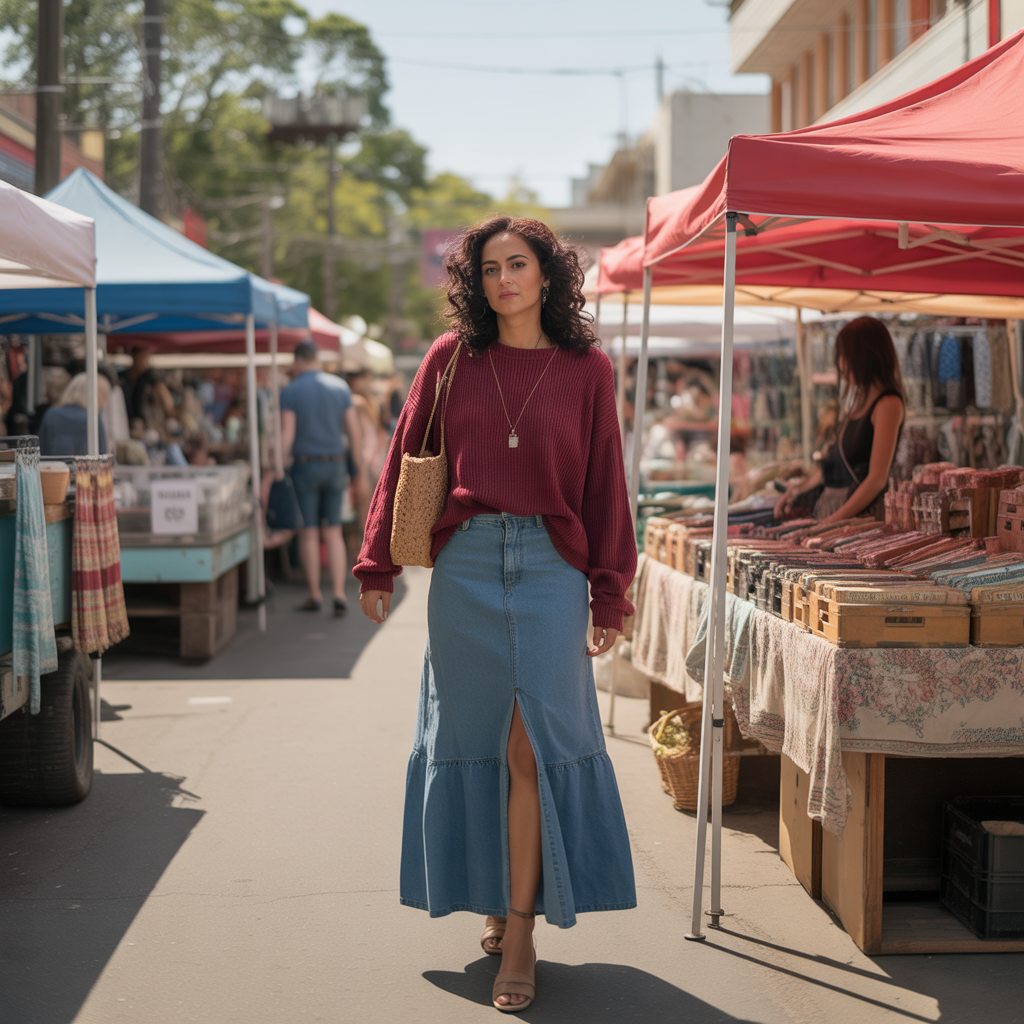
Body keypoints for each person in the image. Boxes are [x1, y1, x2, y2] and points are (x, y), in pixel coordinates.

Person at [355, 216, 637, 1012]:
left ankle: (521, 930)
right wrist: (376, 559)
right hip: (467, 565)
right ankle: (495, 894)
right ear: (474, 283)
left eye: (518, 264)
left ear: (548, 276)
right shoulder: (451, 359)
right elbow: (404, 456)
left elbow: (606, 485)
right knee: (475, 741)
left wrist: (609, 588)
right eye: (489, 268)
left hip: (552, 567)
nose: (504, 279)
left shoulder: (589, 370)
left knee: (528, 748)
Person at [775, 316, 905, 522]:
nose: (840, 364)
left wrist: (832, 521)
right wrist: (796, 490)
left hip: (859, 522)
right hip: (839, 516)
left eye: (844, 356)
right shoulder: (857, 401)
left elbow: (877, 479)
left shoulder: (887, 404)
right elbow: (832, 466)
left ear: (863, 356)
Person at [280, 340, 363, 615]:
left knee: (308, 534)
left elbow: (287, 435)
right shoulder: (340, 387)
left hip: (305, 466)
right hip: (337, 465)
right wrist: (358, 470)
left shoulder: (291, 391)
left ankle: (314, 594)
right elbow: (353, 432)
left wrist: (278, 468)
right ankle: (339, 593)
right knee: (334, 532)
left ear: (297, 361)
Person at [38, 372, 109, 456]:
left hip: (54, 468)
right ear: (95, 395)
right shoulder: (93, 418)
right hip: (85, 468)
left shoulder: (51, 414)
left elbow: (41, 449)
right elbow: (102, 454)